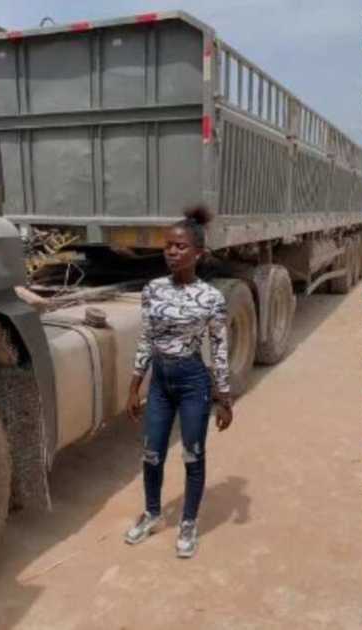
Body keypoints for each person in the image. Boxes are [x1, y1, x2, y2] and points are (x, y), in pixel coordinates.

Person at [124, 205, 233, 559]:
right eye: (168, 245)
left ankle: (188, 522)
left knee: (192, 455)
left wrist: (224, 397)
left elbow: (218, 347)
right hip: (160, 382)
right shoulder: (152, 289)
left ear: (198, 253)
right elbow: (146, 337)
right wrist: (135, 384)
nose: (172, 251)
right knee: (152, 453)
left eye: (180, 246)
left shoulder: (211, 298)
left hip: (192, 383)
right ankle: (153, 513)